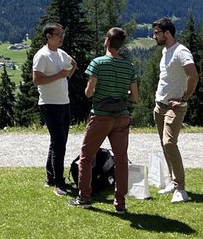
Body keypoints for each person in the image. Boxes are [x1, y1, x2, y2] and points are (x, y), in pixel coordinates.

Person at [70, 27, 138, 214]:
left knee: (86, 156)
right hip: (122, 117)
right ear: (121, 45)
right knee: (121, 159)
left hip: (101, 116)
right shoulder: (129, 67)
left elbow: (89, 92)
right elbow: (135, 97)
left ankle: (84, 198)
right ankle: (120, 203)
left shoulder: (97, 63)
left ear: (106, 41)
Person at [151, 17, 198, 203]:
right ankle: (172, 181)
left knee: (170, 143)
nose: (154, 36)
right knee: (165, 144)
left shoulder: (181, 51)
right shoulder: (165, 51)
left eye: (156, 33)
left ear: (167, 33)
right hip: (160, 105)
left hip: (174, 107)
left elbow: (193, 76)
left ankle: (181, 189)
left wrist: (184, 99)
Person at [32, 22, 76, 195]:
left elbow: (74, 64)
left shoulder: (60, 53)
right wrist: (60, 76)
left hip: (64, 103)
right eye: (58, 35)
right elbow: (36, 79)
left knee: (59, 142)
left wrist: (66, 77)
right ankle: (59, 183)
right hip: (49, 105)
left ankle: (50, 177)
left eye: (62, 34)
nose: (61, 37)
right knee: (59, 144)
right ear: (48, 37)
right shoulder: (42, 55)